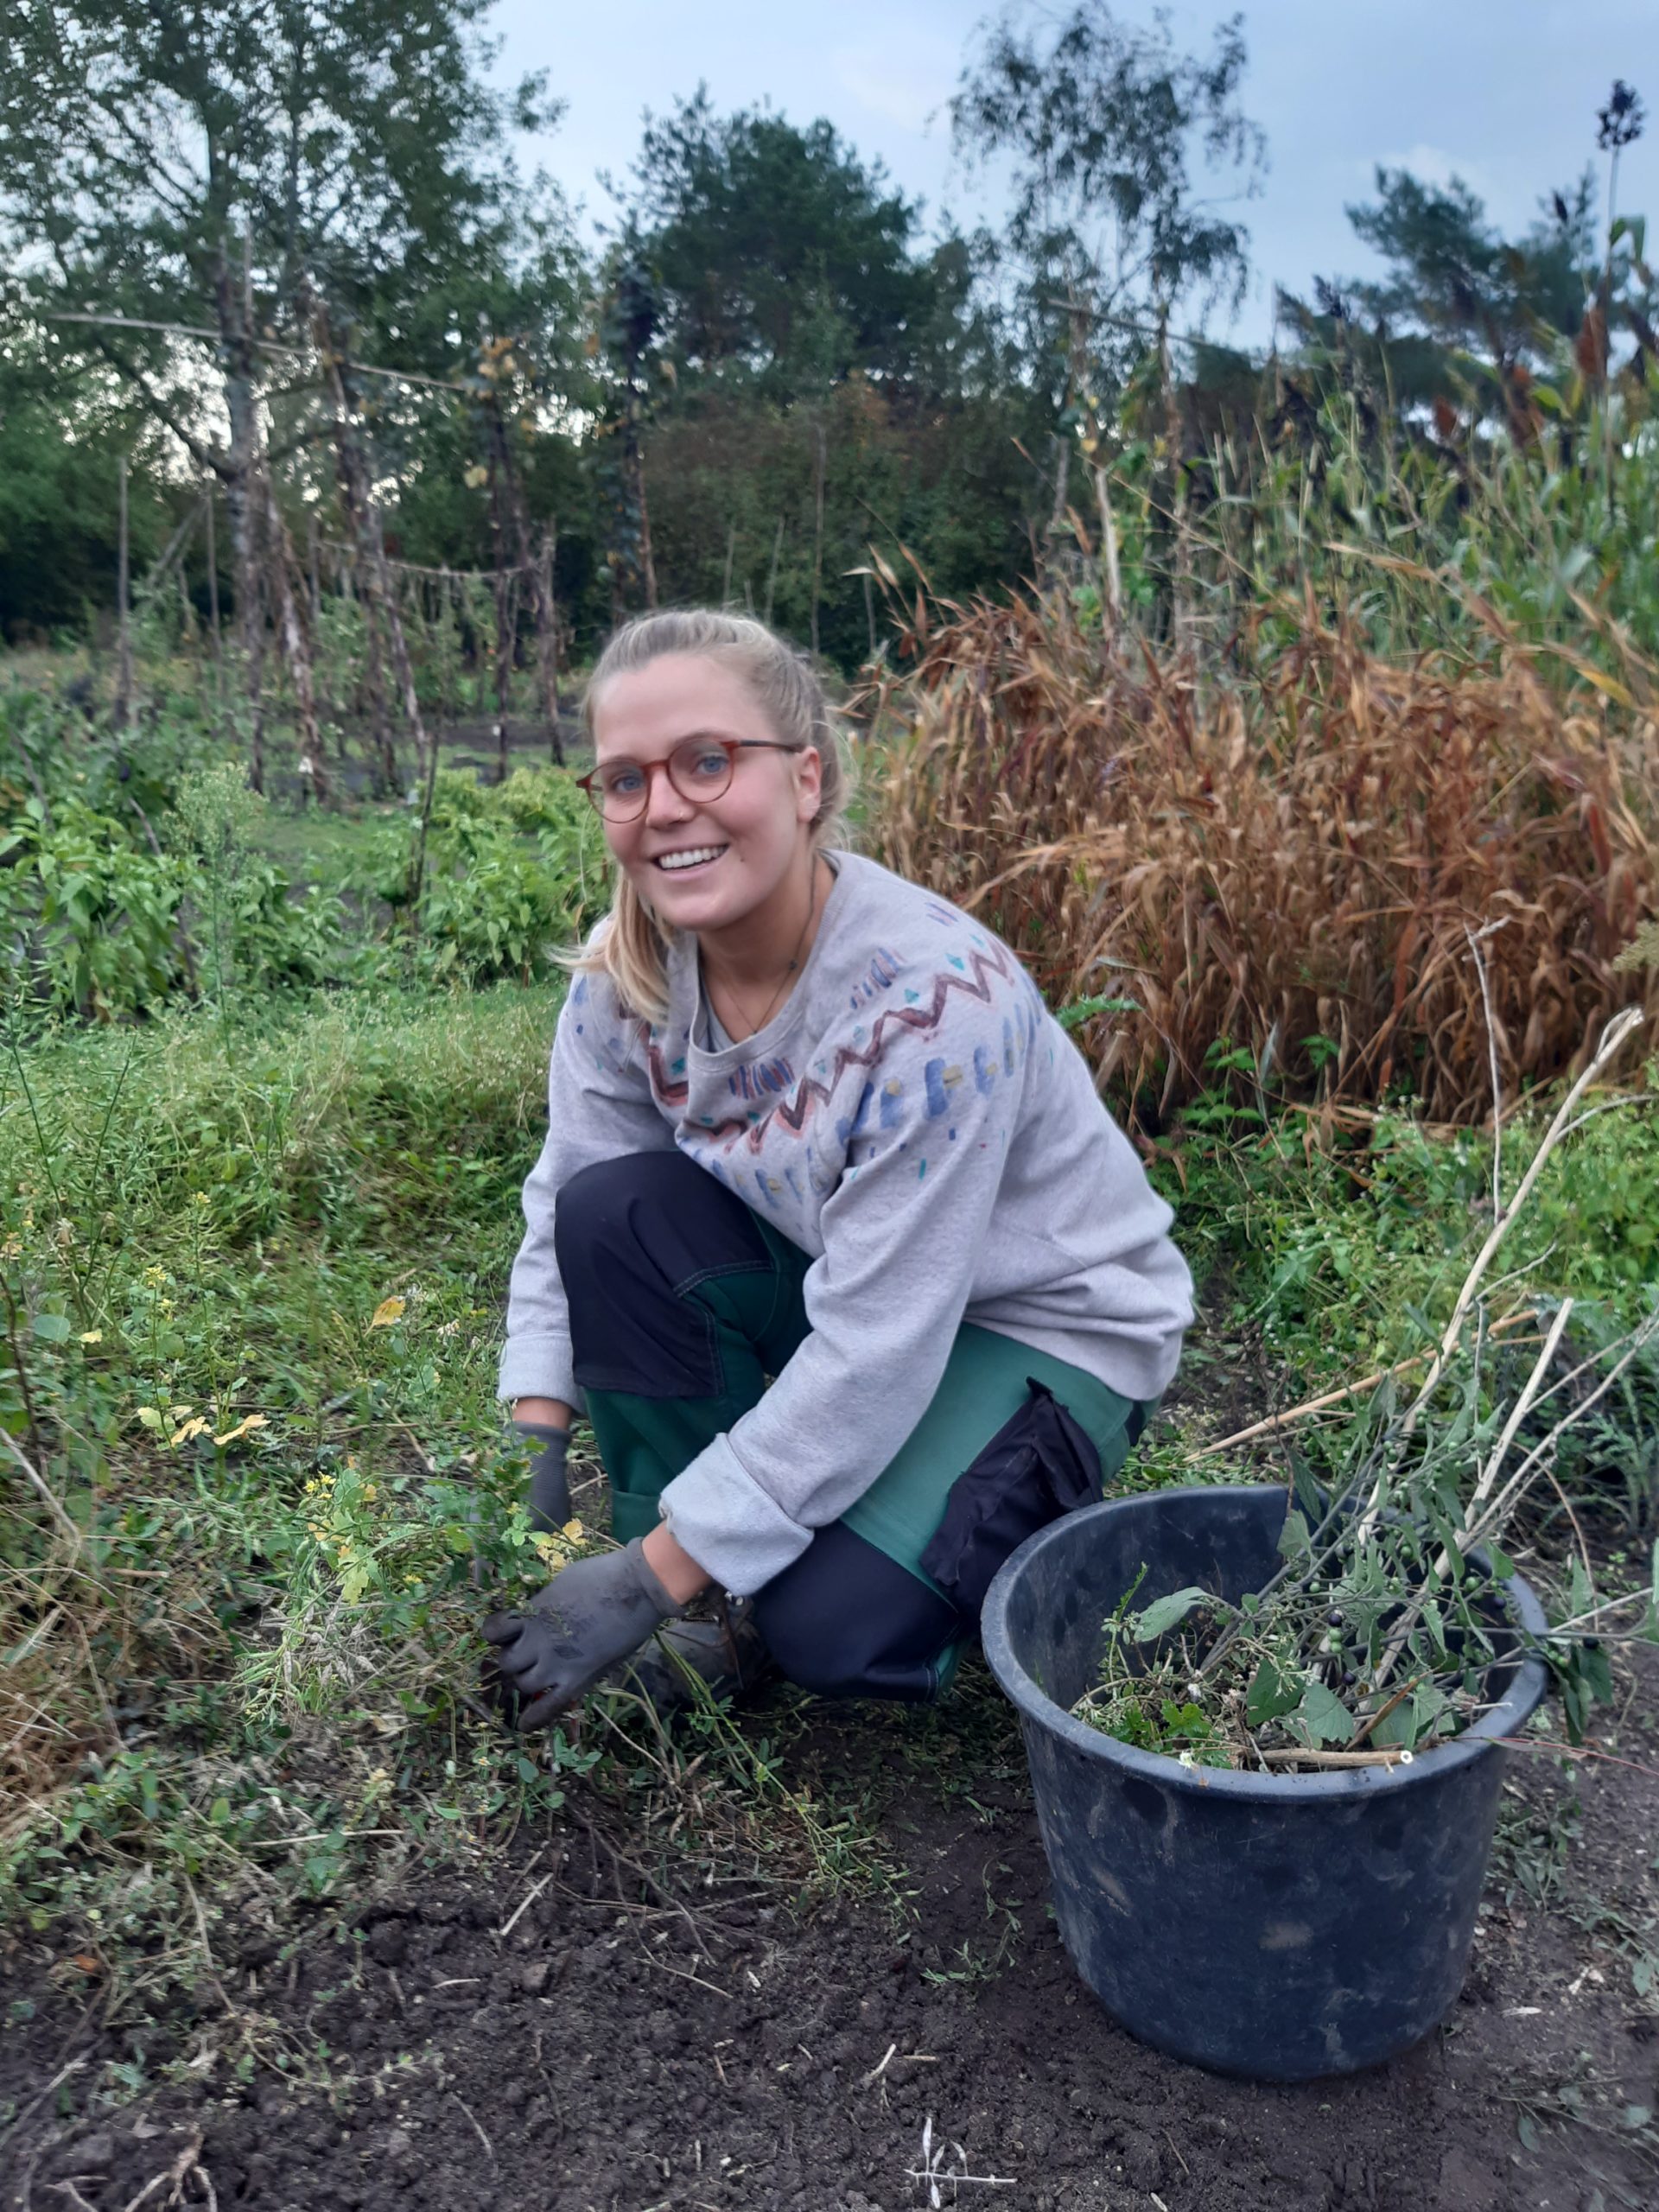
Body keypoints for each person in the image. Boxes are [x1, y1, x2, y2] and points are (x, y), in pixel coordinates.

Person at [484, 609, 1192, 1728]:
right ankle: (698, 1605)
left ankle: (1035, 1528)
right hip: (863, 1277)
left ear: (805, 779)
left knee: (829, 1624)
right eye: (625, 780)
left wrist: (639, 1579)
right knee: (611, 1210)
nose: (665, 807)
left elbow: (879, 1345)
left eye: (708, 761)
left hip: (1048, 1323)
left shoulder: (934, 1005)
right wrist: (538, 1423)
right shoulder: (627, 981)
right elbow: (566, 1189)